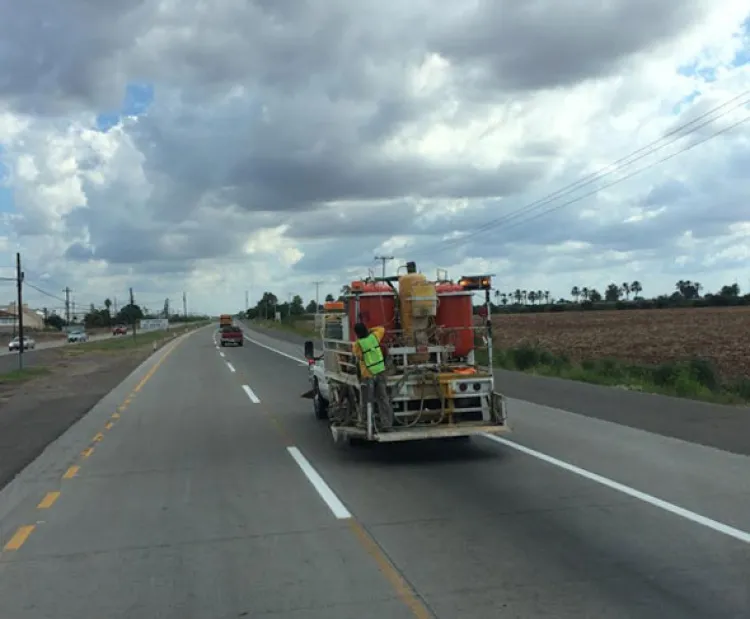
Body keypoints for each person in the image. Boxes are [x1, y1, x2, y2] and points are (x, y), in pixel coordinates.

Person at [352, 322, 394, 430]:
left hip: (367, 375)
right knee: (383, 399)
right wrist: (370, 330)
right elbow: (381, 328)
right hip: (380, 372)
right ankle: (386, 424)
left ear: (357, 334)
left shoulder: (358, 344)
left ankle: (365, 423)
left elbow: (357, 354)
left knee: (367, 400)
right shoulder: (375, 337)